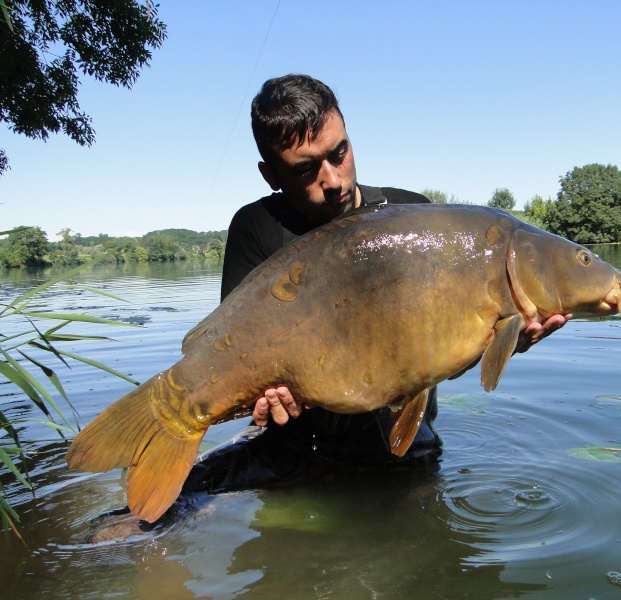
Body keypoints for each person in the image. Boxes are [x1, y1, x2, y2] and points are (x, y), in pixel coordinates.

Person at [183, 74, 568, 495]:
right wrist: (258, 399)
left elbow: (447, 358)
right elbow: (235, 354)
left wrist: (505, 339)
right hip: (294, 447)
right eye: (307, 169)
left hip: (397, 445)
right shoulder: (257, 228)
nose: (333, 180)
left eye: (339, 152)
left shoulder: (416, 217)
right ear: (271, 175)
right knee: (142, 521)